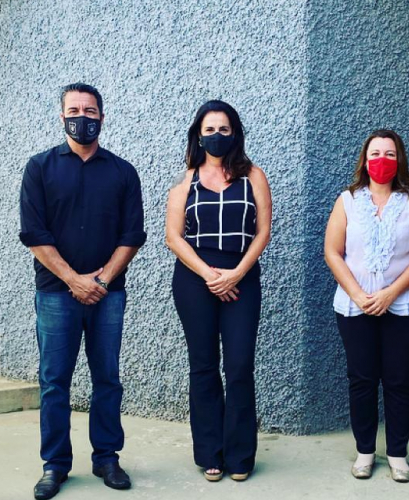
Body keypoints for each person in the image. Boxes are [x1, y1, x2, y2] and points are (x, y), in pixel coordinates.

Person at [19, 82, 146, 499]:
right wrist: (74, 279)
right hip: (56, 294)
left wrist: (102, 281)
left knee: (107, 378)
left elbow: (132, 235)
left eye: (90, 111)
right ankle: (55, 465)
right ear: (62, 117)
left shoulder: (123, 172)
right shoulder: (39, 168)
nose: (82, 118)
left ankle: (106, 457)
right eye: (74, 111)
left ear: (102, 118)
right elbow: (34, 234)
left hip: (108, 295)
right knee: (54, 381)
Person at [166, 100, 272, 482]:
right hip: (195, 279)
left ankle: (240, 455)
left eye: (223, 129)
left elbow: (263, 232)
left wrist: (236, 274)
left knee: (240, 365)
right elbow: (173, 237)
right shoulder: (186, 181)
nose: (216, 136)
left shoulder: (253, 176)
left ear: (235, 133)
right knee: (204, 365)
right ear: (199, 135)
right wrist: (210, 275)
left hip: (242, 277)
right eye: (209, 130)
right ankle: (210, 452)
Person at [324, 129, 409, 482]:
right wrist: (358, 294)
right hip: (354, 307)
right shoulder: (347, 200)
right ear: (364, 159)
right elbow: (332, 252)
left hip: (403, 307)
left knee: (399, 380)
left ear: (399, 159)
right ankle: (365, 452)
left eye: (390, 154)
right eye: (375, 154)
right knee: (361, 380)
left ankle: (398, 454)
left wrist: (391, 293)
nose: (382, 160)